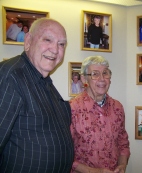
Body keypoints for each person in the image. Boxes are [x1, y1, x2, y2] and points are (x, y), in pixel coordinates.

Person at [0, 18, 74, 172]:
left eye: (61, 44)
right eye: (48, 39)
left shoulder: (45, 82)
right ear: (28, 41)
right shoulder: (11, 75)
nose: (55, 49)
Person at [70, 56, 130, 173]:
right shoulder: (72, 108)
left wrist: (122, 165)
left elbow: (123, 143)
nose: (102, 79)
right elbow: (63, 153)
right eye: (95, 74)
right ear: (84, 79)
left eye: (105, 73)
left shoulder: (117, 107)